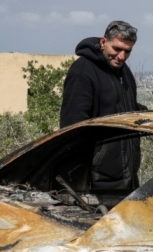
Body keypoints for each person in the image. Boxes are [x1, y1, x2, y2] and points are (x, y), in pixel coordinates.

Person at [60, 21, 147, 191]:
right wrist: (81, 183)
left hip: (126, 179)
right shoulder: (83, 72)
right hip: (96, 185)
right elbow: (72, 130)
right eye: (117, 49)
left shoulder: (124, 71)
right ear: (103, 42)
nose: (121, 56)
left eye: (127, 51)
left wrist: (146, 116)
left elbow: (122, 108)